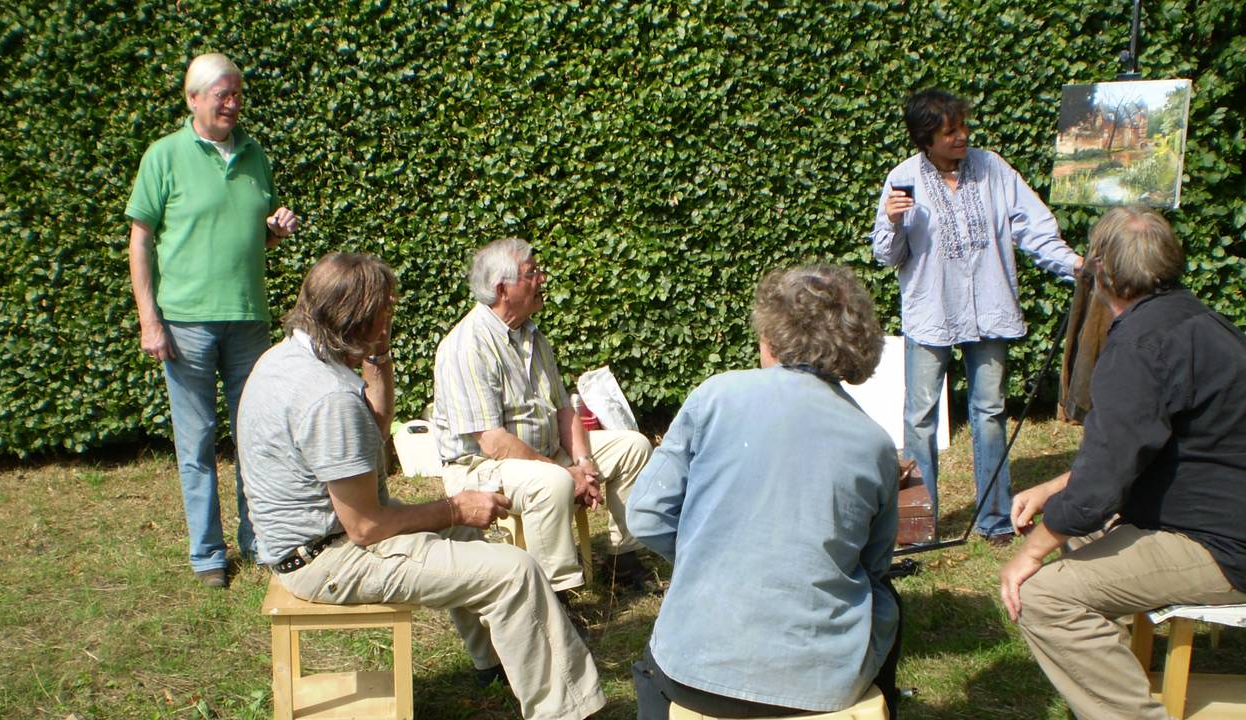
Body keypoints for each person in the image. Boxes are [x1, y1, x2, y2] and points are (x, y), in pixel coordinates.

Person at [238, 253, 605, 720]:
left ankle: (492, 662)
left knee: (470, 542)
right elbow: (367, 527)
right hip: (327, 558)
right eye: (384, 313)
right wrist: (455, 508)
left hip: (307, 543)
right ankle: (570, 712)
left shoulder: (286, 358)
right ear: (356, 317)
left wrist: (379, 357)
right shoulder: (325, 396)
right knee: (514, 571)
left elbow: (372, 425)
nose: (390, 319)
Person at [998, 206, 1246, 720]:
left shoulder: (1138, 344)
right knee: (1078, 543)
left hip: (1223, 544)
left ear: (1100, 272)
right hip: (1219, 520)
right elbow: (1142, 445)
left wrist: (1029, 555)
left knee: (1047, 598)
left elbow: (1095, 496)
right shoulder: (1198, 321)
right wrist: (1052, 489)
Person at [627, 265, 902, 719]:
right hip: (825, 682)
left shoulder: (714, 396)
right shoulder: (875, 443)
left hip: (692, 671)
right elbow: (875, 567)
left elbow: (647, 516)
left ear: (770, 336)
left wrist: (711, 559)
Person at [869, 88, 1083, 544]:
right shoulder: (902, 179)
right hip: (932, 311)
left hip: (989, 309)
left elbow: (1033, 225)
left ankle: (995, 518)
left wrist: (1074, 265)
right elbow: (887, 257)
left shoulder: (992, 169)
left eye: (964, 126)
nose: (963, 136)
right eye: (951, 131)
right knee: (920, 417)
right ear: (925, 138)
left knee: (990, 411)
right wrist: (890, 220)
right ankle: (922, 522)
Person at [125, 52, 299, 587]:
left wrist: (276, 229)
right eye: (222, 94)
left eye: (237, 93)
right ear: (193, 99)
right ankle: (208, 556)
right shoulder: (165, 156)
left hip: (248, 319)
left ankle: (260, 540)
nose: (232, 103)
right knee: (196, 443)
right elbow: (141, 239)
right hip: (186, 325)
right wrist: (148, 319)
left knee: (257, 436)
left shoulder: (253, 154)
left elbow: (255, 236)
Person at [432, 237, 654, 594]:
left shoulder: (532, 336)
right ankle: (557, 595)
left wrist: (583, 463)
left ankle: (623, 559)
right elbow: (493, 442)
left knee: (634, 447)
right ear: (503, 288)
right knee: (553, 483)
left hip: (545, 453)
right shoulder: (466, 346)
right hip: (481, 468)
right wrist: (565, 473)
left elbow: (564, 409)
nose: (542, 279)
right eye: (532, 273)